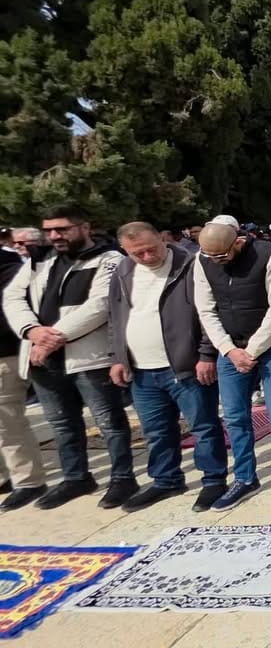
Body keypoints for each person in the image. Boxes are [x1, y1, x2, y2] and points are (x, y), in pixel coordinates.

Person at [3, 205, 135, 510]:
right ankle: (76, 477)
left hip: (88, 357)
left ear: (84, 227)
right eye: (49, 230)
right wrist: (32, 330)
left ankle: (123, 478)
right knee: (62, 424)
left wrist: (52, 338)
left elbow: (99, 305)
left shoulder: (109, 258)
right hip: (42, 357)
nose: (54, 236)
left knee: (109, 422)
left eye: (62, 229)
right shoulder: (40, 259)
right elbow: (13, 297)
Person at [107, 222, 228, 513]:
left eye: (152, 249)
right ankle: (166, 479)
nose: (147, 257)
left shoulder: (190, 265)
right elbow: (115, 317)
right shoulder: (123, 271)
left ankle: (213, 479)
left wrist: (206, 354)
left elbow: (208, 313)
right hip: (141, 369)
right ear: (126, 250)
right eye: (138, 253)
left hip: (185, 366)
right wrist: (117, 358)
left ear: (162, 238)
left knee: (204, 426)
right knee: (156, 431)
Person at [193, 221, 271, 510]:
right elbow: (205, 309)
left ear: (238, 242)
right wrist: (229, 350)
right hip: (229, 349)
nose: (216, 262)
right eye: (210, 257)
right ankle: (244, 477)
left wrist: (251, 351)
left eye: (221, 256)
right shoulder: (203, 259)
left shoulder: (269, 255)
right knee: (236, 418)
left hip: (270, 347)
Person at [0, 245, 46, 511]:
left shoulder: (7, 266)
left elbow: (12, 312)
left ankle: (28, 481)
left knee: (7, 424)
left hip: (4, 355)